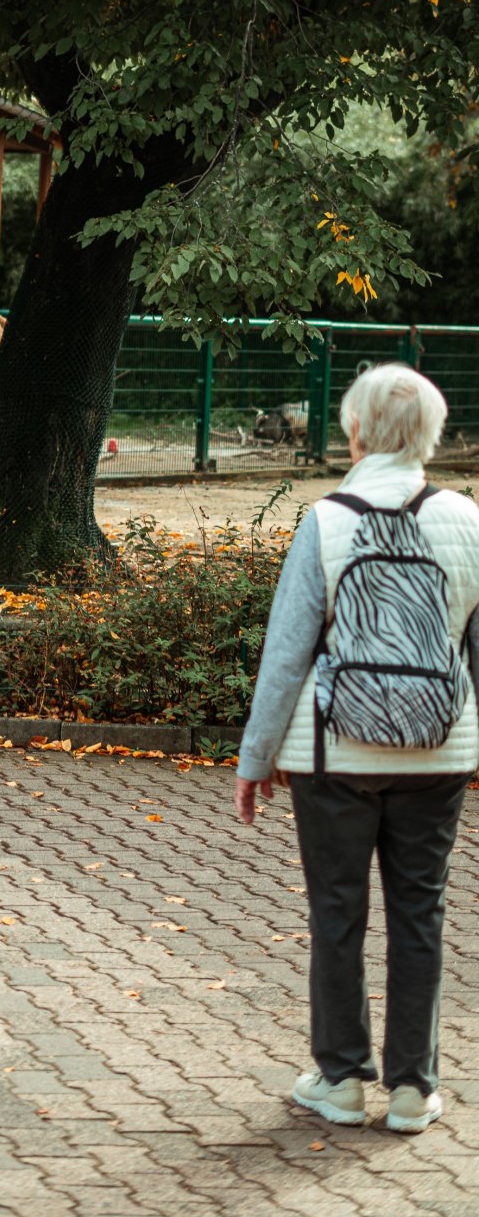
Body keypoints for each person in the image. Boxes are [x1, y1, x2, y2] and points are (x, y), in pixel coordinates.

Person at [235, 363, 479, 1134]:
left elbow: (286, 654)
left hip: (333, 755)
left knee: (336, 913)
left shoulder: (326, 520)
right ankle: (413, 1088)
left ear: (358, 432)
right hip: (439, 754)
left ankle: (340, 1078)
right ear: (432, 437)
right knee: (421, 914)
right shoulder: (470, 521)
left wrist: (254, 758)